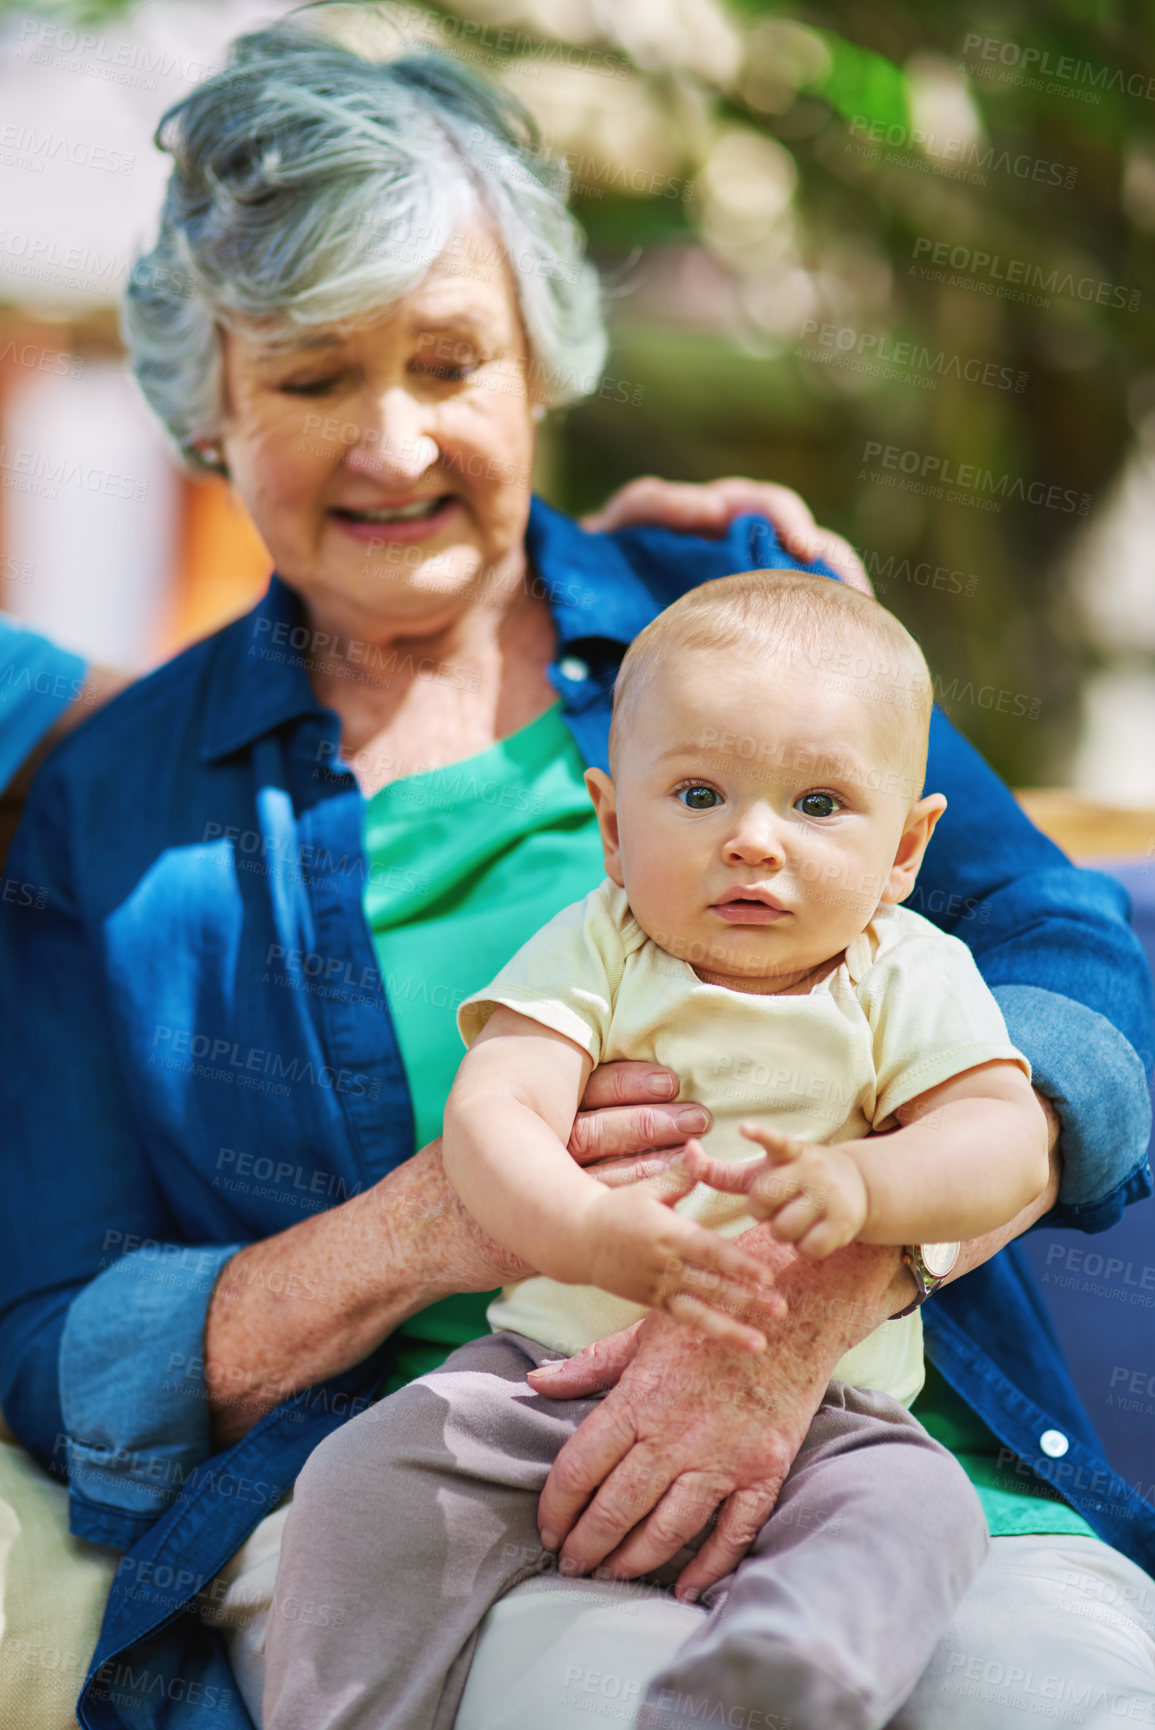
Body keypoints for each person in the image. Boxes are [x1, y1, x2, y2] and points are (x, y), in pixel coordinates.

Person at [0, 10, 1151, 1730]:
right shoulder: (116, 804)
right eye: (315, 380)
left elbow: (1072, 954)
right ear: (210, 412)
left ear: (541, 364)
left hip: (913, 1464)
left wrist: (850, 1256)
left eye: (451, 364)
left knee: (1068, 1693)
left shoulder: (751, 612)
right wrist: (429, 1228)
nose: (394, 444)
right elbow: (57, 1333)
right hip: (483, 1505)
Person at [262, 570, 1050, 1730]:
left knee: (921, 1510)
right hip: (543, 1379)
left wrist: (869, 1179)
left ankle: (772, 1679)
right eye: (698, 792)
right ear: (616, 824)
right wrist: (583, 1228)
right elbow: (496, 1111)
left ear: (906, 845)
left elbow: (1001, 1149)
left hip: (828, 1411)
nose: (753, 842)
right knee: (365, 1483)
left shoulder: (909, 969)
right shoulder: (603, 946)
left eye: (820, 803)